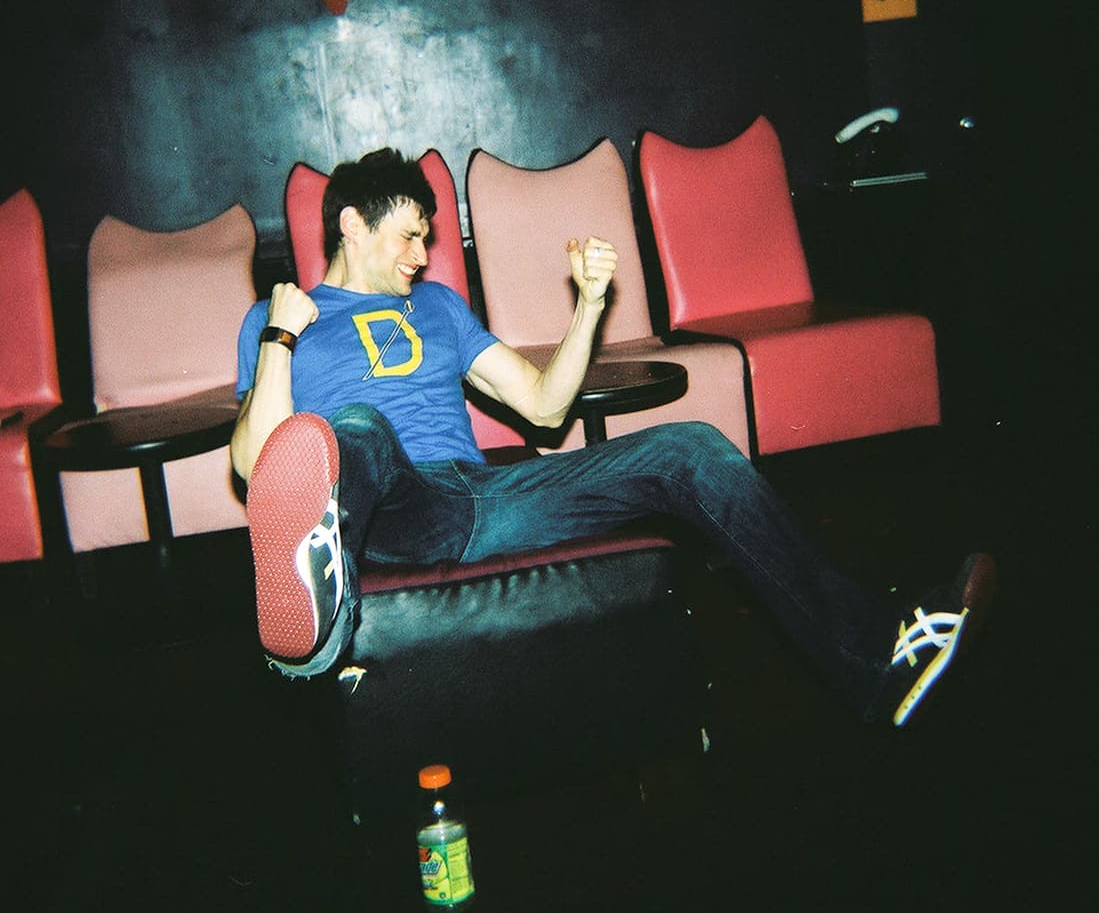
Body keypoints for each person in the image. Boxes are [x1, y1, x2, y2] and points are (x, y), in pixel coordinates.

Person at [232, 148, 996, 727]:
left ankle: (876, 657)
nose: (422, 255)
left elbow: (540, 406)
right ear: (350, 225)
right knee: (356, 430)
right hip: (383, 504)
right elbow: (250, 461)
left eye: (428, 237)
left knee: (690, 446)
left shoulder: (435, 305)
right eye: (406, 236)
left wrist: (589, 305)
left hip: (479, 495)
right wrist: (279, 339)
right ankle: (317, 599)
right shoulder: (281, 319)